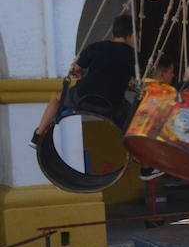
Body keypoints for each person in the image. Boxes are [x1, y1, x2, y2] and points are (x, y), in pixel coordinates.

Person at [32, 13, 137, 147]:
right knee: (134, 119)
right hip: (110, 106)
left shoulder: (97, 47)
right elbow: (138, 80)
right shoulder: (133, 57)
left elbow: (76, 69)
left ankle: (38, 135)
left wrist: (81, 76)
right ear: (131, 34)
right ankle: (139, 156)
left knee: (57, 100)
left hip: (82, 98)